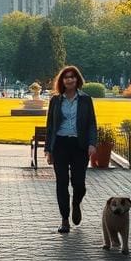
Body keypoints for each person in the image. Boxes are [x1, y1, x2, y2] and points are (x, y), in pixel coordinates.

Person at [44, 64, 98, 234]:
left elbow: (91, 124)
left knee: (79, 184)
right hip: (60, 144)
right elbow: (50, 126)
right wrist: (48, 149)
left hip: (79, 145)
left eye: (72, 76)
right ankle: (64, 219)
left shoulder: (85, 100)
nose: (69, 79)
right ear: (62, 80)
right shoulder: (55, 100)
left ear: (77, 79)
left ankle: (76, 203)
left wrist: (92, 143)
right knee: (61, 183)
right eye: (66, 77)